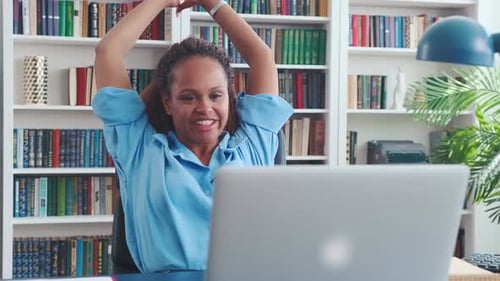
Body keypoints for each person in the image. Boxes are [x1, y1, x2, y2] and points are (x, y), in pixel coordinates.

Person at [91, 0, 294, 273]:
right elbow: (108, 51)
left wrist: (212, 2)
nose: (205, 108)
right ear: (167, 103)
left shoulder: (253, 145)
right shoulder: (139, 149)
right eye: (188, 97)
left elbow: (261, 56)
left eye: (215, 95)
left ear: (228, 99)